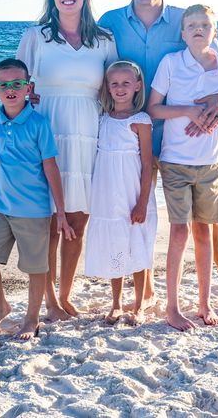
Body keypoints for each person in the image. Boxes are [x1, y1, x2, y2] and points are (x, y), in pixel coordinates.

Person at [99, 0, 218, 318]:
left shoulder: (184, 20)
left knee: (207, 225)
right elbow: (97, 69)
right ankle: (145, 292)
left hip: (179, 142)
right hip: (128, 136)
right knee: (136, 214)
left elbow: (216, 68)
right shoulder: (109, 22)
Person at [17, 0, 117, 318]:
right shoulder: (37, 35)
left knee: (77, 219)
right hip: (48, 130)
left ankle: (66, 293)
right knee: (48, 220)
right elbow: (19, 83)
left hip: (90, 132)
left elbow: (112, 86)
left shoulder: (103, 38)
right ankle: (48, 301)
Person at [148, 4, 218, 332]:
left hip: (211, 163)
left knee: (205, 231)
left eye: (205, 25)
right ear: (182, 32)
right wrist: (190, 111)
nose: (198, 30)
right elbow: (154, 109)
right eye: (191, 25)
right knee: (180, 231)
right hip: (175, 160)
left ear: (214, 32)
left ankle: (204, 302)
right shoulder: (171, 63)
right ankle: (173, 308)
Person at [0, 58, 75, 340]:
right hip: (0, 208)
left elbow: (51, 168)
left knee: (36, 268)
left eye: (17, 84)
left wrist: (60, 212)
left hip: (34, 210)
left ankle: (31, 319)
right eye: (4, 85)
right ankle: (0, 308)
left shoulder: (38, 124)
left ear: (29, 88)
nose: (10, 89)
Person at [84, 60, 156, 325]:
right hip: (106, 192)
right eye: (114, 83)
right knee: (115, 244)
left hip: (132, 191)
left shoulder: (140, 121)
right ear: (107, 87)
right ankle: (115, 303)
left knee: (136, 244)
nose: (120, 88)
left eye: (126, 83)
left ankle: (139, 305)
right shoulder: (102, 117)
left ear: (137, 86)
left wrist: (142, 202)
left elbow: (148, 164)